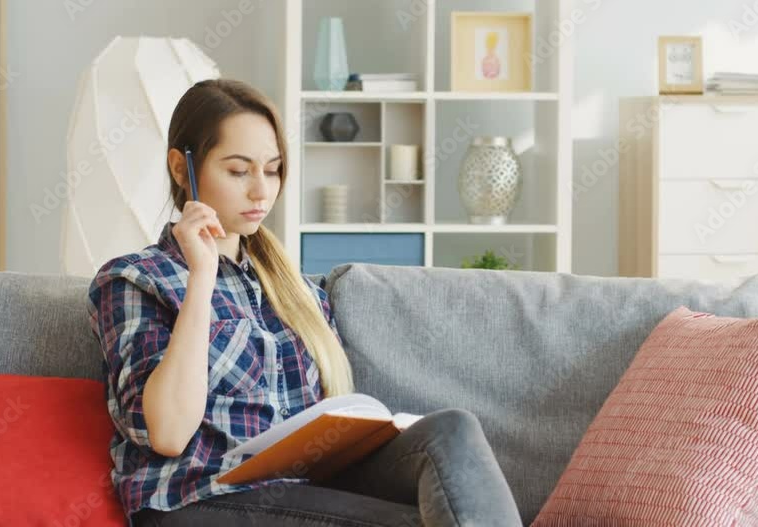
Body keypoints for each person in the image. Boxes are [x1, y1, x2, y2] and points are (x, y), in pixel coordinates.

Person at [87, 78, 523, 527]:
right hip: (196, 499)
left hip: (300, 490)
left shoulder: (295, 288)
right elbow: (169, 434)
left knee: (452, 430)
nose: (261, 191)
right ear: (182, 169)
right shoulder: (134, 279)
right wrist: (202, 277)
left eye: (272, 169)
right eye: (238, 171)